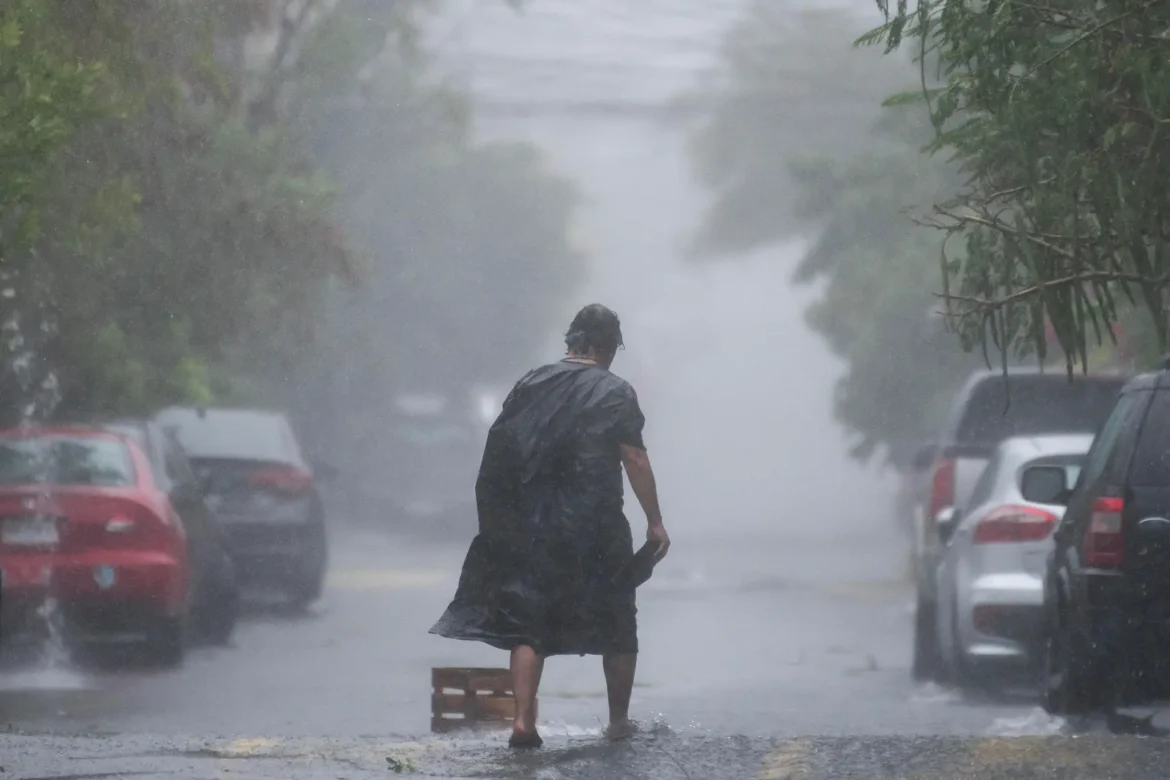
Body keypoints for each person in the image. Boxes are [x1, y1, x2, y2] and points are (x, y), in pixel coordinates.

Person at [429, 303, 670, 748]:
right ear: (605, 346)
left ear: (573, 341)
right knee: (618, 621)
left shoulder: (530, 383)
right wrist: (655, 522)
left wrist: (499, 523)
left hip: (534, 526)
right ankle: (618, 722)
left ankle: (522, 721)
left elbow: (498, 452)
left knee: (529, 623)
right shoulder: (616, 391)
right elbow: (634, 458)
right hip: (596, 525)